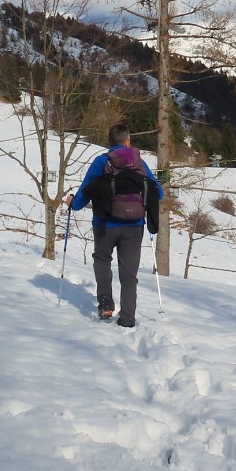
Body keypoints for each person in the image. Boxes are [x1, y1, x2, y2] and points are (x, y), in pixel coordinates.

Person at [70, 123, 163, 327]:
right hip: (134, 225)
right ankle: (128, 317)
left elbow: (86, 191)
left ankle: (106, 306)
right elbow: (159, 192)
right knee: (129, 273)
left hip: (105, 224)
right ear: (128, 141)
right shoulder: (139, 162)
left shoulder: (102, 161)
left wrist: (72, 204)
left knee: (102, 260)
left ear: (109, 142)